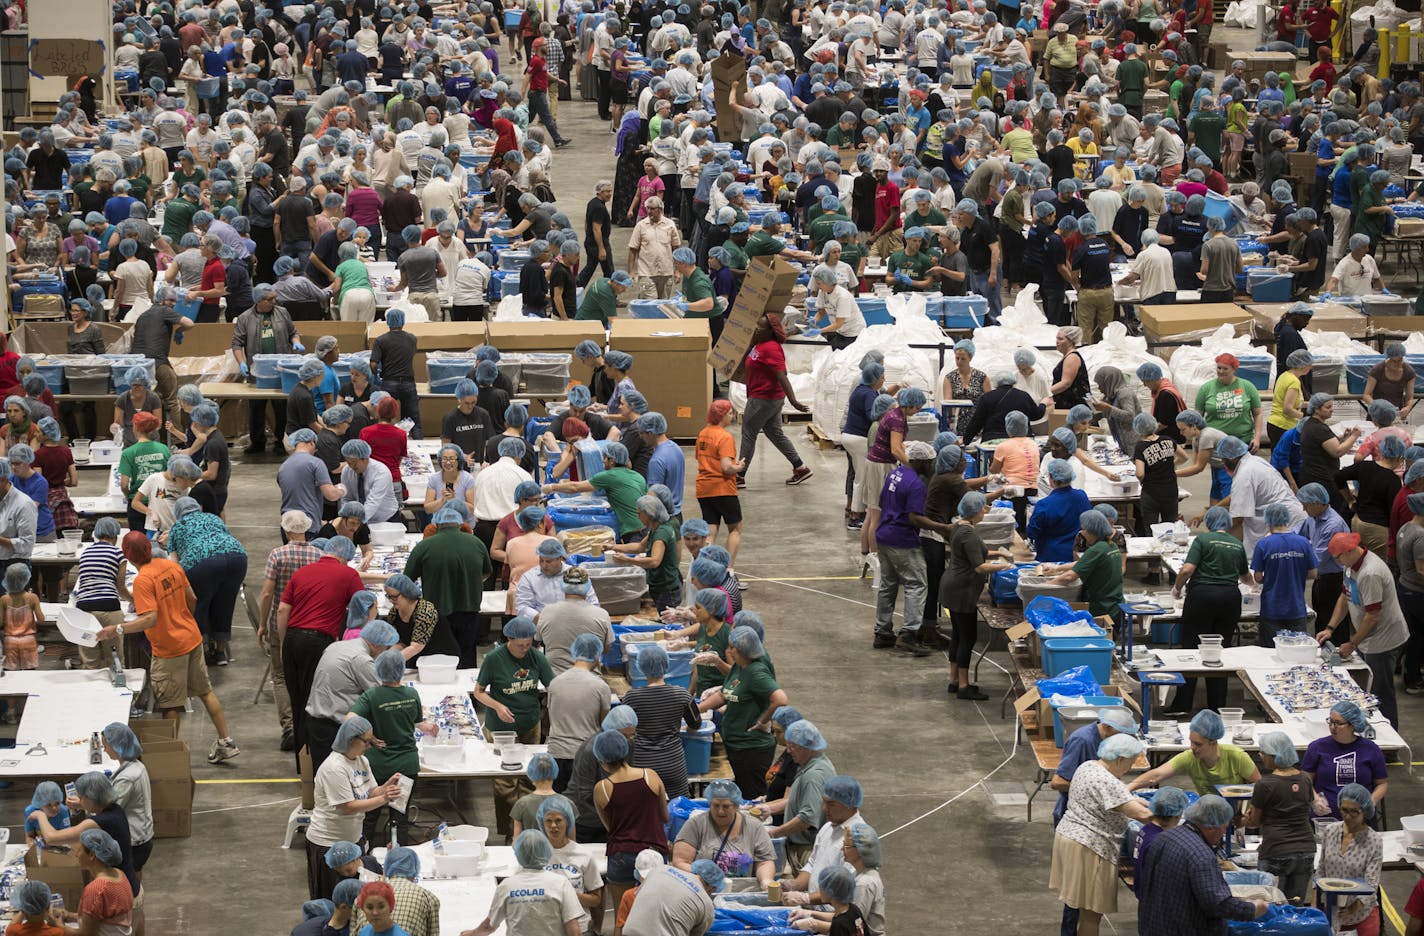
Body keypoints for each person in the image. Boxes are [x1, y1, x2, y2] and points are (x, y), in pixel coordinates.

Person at [94, 531, 237, 763]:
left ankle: (170, 757)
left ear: (127, 556)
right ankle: (226, 741)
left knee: (170, 703)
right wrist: (183, 620)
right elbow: (191, 598)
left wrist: (117, 629)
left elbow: (150, 618)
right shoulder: (172, 566)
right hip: (191, 639)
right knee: (205, 691)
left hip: (169, 649)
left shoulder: (143, 580)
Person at [1048, 733, 1153, 936]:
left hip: (1069, 837)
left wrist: (1149, 803)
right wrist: (1174, 819)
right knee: (1091, 915)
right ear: (1120, 759)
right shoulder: (1107, 781)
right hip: (1090, 847)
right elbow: (1142, 815)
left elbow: (1123, 796)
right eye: (1130, 762)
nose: (1130, 768)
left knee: (1082, 909)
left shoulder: (1088, 766)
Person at [1136, 796, 1270, 934]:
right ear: (1213, 827)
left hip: (1153, 925)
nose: (1223, 834)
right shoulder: (1201, 855)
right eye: (1224, 828)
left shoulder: (1164, 837)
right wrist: (1252, 909)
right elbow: (1217, 904)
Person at [1316, 532, 1408, 727]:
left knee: (1380, 692)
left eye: (1338, 557)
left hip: (1383, 639)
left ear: (1349, 551)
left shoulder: (1370, 572)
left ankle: (1388, 739)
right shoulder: (1350, 567)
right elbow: (1344, 597)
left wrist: (1352, 643)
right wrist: (1330, 628)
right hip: (1368, 638)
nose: (1338, 562)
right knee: (1365, 688)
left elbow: (1373, 615)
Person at [475, 616, 555, 839]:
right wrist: (498, 706)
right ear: (509, 639)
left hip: (530, 723)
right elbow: (479, 691)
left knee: (531, 779)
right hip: (501, 729)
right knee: (505, 782)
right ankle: (509, 831)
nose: (524, 649)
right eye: (520, 645)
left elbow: (553, 686)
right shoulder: (494, 659)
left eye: (528, 644)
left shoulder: (537, 658)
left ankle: (530, 829)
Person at [1163, 506, 1250, 711]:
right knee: (1220, 652)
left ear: (1209, 522)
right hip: (1230, 599)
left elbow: (1187, 569)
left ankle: (1182, 704)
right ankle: (1217, 706)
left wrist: (1176, 588)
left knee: (1191, 649)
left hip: (1202, 597)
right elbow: (1246, 577)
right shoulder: (1237, 544)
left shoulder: (1202, 540)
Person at [306, 716, 403, 899]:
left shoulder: (361, 761)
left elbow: (370, 791)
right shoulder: (334, 768)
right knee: (335, 899)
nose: (369, 746)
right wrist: (384, 798)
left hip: (353, 839)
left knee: (358, 897)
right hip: (329, 843)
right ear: (352, 740)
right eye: (367, 741)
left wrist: (385, 787)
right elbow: (348, 806)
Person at [874, 439, 954, 656]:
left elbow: (883, 503)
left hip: (884, 535)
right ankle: (909, 633)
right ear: (920, 462)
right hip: (902, 539)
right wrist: (942, 528)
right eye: (930, 462)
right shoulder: (916, 484)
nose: (932, 466)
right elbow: (914, 518)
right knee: (917, 584)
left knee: (888, 585)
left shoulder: (895, 474)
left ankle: (882, 632)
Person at [350, 649, 435, 846]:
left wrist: (369, 737)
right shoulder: (411, 694)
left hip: (377, 767)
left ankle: (363, 857)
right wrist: (427, 727)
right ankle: (398, 862)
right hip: (405, 766)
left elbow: (350, 720)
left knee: (370, 816)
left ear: (378, 670)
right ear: (401, 670)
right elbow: (416, 720)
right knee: (400, 817)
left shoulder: (370, 696)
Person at [696, 626, 787, 797]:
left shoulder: (756, 672)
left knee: (749, 796)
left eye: (732, 647)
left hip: (750, 749)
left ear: (744, 650)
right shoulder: (740, 667)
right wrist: (698, 708)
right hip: (735, 743)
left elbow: (780, 699)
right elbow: (725, 694)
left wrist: (763, 721)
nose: (728, 651)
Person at [943, 492, 1014, 699]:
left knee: (957, 635)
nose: (985, 511)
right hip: (962, 590)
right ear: (975, 512)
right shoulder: (969, 534)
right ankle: (964, 686)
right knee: (968, 637)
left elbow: (976, 553)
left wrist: (1000, 553)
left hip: (952, 586)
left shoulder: (959, 527)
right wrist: (1005, 566)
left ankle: (954, 680)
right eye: (983, 508)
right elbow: (979, 567)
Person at [592, 728, 669, 912]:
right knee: (656, 910)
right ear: (626, 751)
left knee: (622, 913)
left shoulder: (602, 788)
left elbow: (611, 827)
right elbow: (664, 817)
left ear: (602, 761)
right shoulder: (650, 776)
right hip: (653, 851)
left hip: (621, 854)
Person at [404, 506, 492, 667]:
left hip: (436, 612)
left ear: (436, 524)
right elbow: (486, 573)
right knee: (466, 657)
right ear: (460, 524)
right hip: (469, 609)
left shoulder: (424, 547)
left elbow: (406, 581)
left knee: (439, 658)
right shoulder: (477, 543)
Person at [166, 497, 247, 665]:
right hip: (237, 558)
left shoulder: (176, 527)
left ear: (178, 513)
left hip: (203, 563)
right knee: (225, 603)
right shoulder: (214, 518)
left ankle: (201, 652)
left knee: (199, 605)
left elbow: (174, 564)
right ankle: (220, 652)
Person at [462, 830, 585, 936]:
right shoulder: (561, 883)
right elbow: (574, 930)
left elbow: (489, 926)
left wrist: (473, 933)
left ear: (518, 853)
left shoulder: (507, 886)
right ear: (547, 851)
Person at [621, 644, 701, 800]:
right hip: (672, 763)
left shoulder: (631, 698)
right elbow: (696, 724)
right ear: (666, 665)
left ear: (641, 667)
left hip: (642, 765)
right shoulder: (681, 695)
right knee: (677, 808)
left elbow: (623, 728)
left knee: (644, 809)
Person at [1243, 732, 1316, 903]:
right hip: (1305, 849)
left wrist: (1245, 818)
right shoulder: (1305, 779)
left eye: (1263, 752)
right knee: (1294, 906)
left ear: (1274, 755)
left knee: (1271, 906)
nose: (1260, 756)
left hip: (1276, 850)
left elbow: (1254, 822)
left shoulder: (1264, 784)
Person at [740, 314, 812, 486]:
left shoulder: (771, 348)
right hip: (766, 397)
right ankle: (800, 467)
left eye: (761, 327)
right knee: (775, 433)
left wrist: (793, 401)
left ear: (770, 331)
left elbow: (782, 376)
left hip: (763, 399)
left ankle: (739, 475)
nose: (757, 329)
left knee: (748, 434)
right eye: (757, 326)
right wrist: (751, 343)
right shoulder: (760, 344)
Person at [1129, 709, 1261, 795]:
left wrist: (1247, 814)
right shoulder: (1191, 757)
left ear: (1213, 742)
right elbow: (1156, 775)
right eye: (1191, 742)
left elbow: (1259, 787)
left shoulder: (1237, 757)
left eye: (1198, 744)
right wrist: (1128, 788)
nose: (1192, 747)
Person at [672, 778, 776, 885]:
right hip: (704, 889)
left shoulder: (754, 826)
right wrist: (705, 879)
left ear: (736, 806)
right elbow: (680, 862)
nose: (720, 811)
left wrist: (766, 881)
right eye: (716, 806)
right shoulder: (696, 824)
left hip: (740, 893)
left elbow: (764, 862)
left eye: (726, 806)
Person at [1303, 699, 1389, 817]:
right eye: (1330, 722)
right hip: (1325, 817)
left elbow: (1382, 783)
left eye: (1338, 723)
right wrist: (1316, 799)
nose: (1332, 727)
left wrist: (1371, 801)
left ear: (1353, 724)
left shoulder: (1370, 749)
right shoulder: (1317, 747)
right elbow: (1306, 780)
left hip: (1359, 818)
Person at [1317, 784, 1383, 936]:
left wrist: (1352, 909)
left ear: (1365, 812)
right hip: (1331, 912)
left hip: (1361, 914)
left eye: (1354, 812)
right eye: (1344, 810)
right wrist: (1316, 907)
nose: (1347, 816)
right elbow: (1321, 871)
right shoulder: (1330, 831)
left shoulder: (1373, 841)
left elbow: (1371, 883)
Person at [535, 796, 604, 936]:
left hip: (579, 928)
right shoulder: (535, 855)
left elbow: (596, 899)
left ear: (568, 821)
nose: (553, 825)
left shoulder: (583, 855)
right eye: (548, 820)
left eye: (558, 820)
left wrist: (568, 895)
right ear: (542, 823)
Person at [606, 494, 682, 612]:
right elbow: (639, 547)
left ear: (649, 514)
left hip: (666, 589)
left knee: (667, 620)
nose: (638, 516)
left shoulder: (661, 533)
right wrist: (613, 547)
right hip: (659, 586)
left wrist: (627, 560)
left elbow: (654, 561)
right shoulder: (656, 529)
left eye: (640, 513)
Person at [1336, 434, 1405, 559]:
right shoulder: (1393, 480)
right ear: (1400, 459)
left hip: (1358, 521)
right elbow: (1393, 512)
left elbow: (1338, 476)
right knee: (1377, 566)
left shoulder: (1365, 466)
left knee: (1359, 560)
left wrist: (1350, 500)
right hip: (1377, 529)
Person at [56, 830, 136, 936]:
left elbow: (85, 934)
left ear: (92, 855)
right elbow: (101, 917)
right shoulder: (120, 874)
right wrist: (69, 915)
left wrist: (59, 927)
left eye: (79, 850)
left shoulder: (96, 889)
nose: (76, 855)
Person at [695, 400, 745, 564]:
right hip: (723, 489)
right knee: (735, 529)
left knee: (711, 530)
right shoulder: (724, 437)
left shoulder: (703, 433)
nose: (732, 416)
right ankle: (728, 570)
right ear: (722, 416)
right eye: (730, 413)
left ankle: (704, 565)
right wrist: (739, 467)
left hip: (704, 489)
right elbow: (726, 468)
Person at [621, 861, 721, 936]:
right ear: (712, 889)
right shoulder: (705, 903)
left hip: (629, 932)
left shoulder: (659, 870)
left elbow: (639, 898)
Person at [1193, 353, 1263, 452]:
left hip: (1243, 440)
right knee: (1219, 468)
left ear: (1234, 369)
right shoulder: (1206, 388)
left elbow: (1258, 414)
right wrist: (1197, 438)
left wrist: (1257, 438)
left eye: (1225, 369)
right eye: (1219, 368)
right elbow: (1197, 416)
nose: (1221, 371)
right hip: (1216, 442)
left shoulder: (1248, 386)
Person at [1027, 459, 1093, 562]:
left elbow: (1032, 533)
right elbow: (1089, 522)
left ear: (1051, 478)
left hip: (1051, 557)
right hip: (1078, 555)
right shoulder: (1081, 496)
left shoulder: (1044, 504)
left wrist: (1030, 518)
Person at [1362, 342, 1415, 415]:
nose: (1397, 364)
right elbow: (1366, 395)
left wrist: (1407, 408)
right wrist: (1377, 406)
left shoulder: (1408, 371)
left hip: (1396, 412)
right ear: (1388, 358)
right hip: (1378, 412)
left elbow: (1409, 398)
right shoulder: (1377, 370)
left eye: (1400, 360)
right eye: (1394, 361)